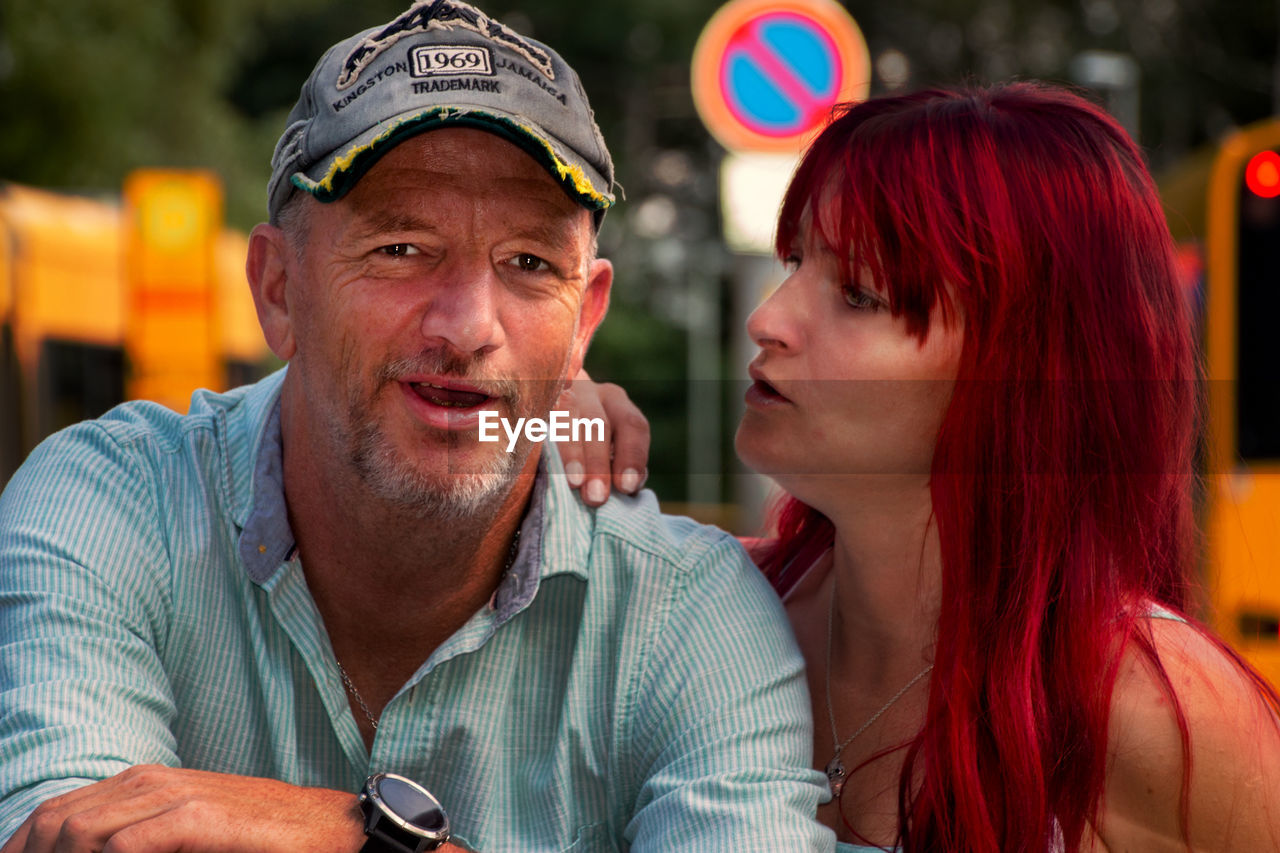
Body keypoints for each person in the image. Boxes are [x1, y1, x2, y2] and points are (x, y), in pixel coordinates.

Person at [0, 2, 832, 851]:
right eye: (400, 247)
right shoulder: (108, 505)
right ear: (279, 291)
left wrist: (358, 836)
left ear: (584, 322)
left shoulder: (688, 612)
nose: (467, 323)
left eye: (529, 263)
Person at [588, 83, 1280, 850]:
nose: (768, 318)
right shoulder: (711, 613)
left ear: (1026, 369)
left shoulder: (1162, 712)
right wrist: (539, 418)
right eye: (795, 261)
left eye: (858, 292)